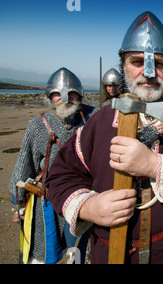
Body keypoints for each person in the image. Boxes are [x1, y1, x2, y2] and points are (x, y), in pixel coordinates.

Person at [46, 11, 163, 264]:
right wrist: (89, 207)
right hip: (108, 254)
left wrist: (155, 166)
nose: (149, 72)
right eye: (137, 61)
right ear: (123, 66)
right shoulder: (99, 122)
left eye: (159, 64)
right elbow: (59, 175)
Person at [9, 67, 97, 264]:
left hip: (85, 198)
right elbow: (23, 169)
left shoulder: (92, 119)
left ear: (80, 94)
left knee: (80, 253)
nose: (65, 98)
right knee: (44, 254)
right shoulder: (37, 126)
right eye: (58, 94)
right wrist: (18, 206)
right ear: (50, 96)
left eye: (71, 93)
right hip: (47, 200)